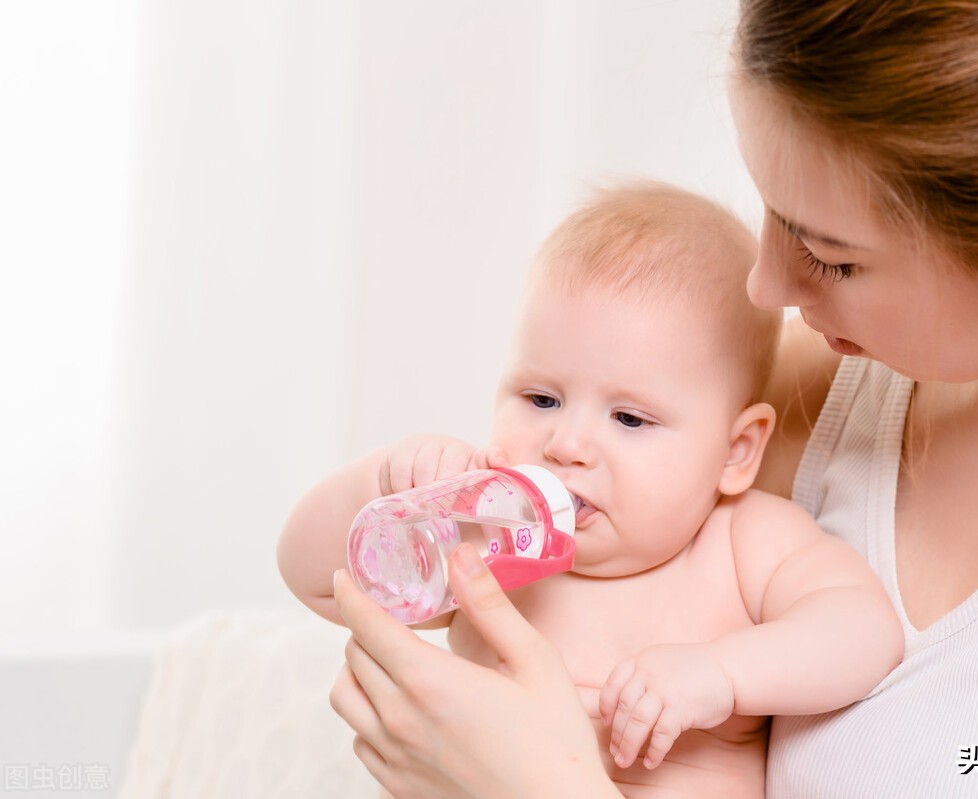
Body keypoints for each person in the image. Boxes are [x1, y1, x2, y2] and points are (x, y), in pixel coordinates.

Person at [322, 1, 978, 796]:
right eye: (771, 210)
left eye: (830, 256)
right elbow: (358, 561)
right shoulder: (791, 394)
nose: (764, 287)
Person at [279, 182, 904, 798]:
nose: (566, 443)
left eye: (629, 418)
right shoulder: (491, 536)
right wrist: (387, 485)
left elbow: (865, 632)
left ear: (736, 452)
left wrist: (723, 672)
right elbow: (314, 576)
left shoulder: (743, 542)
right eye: (541, 399)